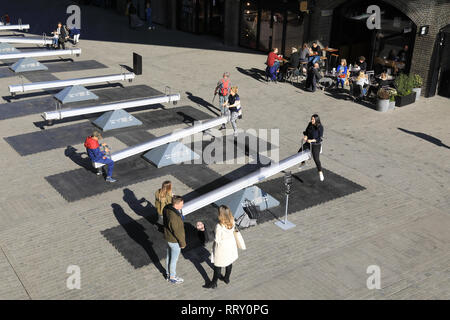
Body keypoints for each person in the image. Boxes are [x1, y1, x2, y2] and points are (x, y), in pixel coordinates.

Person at [204, 205, 238, 289]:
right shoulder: (232, 220)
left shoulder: (219, 226)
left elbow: (217, 239)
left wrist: (212, 232)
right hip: (230, 245)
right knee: (229, 262)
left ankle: (214, 283)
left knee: (218, 266)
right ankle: (226, 278)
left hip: (221, 248)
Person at [163, 195, 186, 284]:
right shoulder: (174, 217)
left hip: (168, 238)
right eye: (182, 204)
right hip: (174, 241)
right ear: (177, 204)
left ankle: (168, 274)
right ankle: (172, 277)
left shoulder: (167, 208)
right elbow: (177, 231)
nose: (182, 205)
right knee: (174, 259)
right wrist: (182, 243)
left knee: (169, 256)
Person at [298, 114, 324, 181]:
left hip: (316, 144)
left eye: (313, 119)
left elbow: (319, 138)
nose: (311, 120)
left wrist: (312, 140)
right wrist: (306, 136)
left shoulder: (320, 127)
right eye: (311, 119)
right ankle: (303, 163)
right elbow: (306, 131)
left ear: (316, 120)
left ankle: (320, 172)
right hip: (308, 143)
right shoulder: (310, 124)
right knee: (300, 152)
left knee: (316, 159)